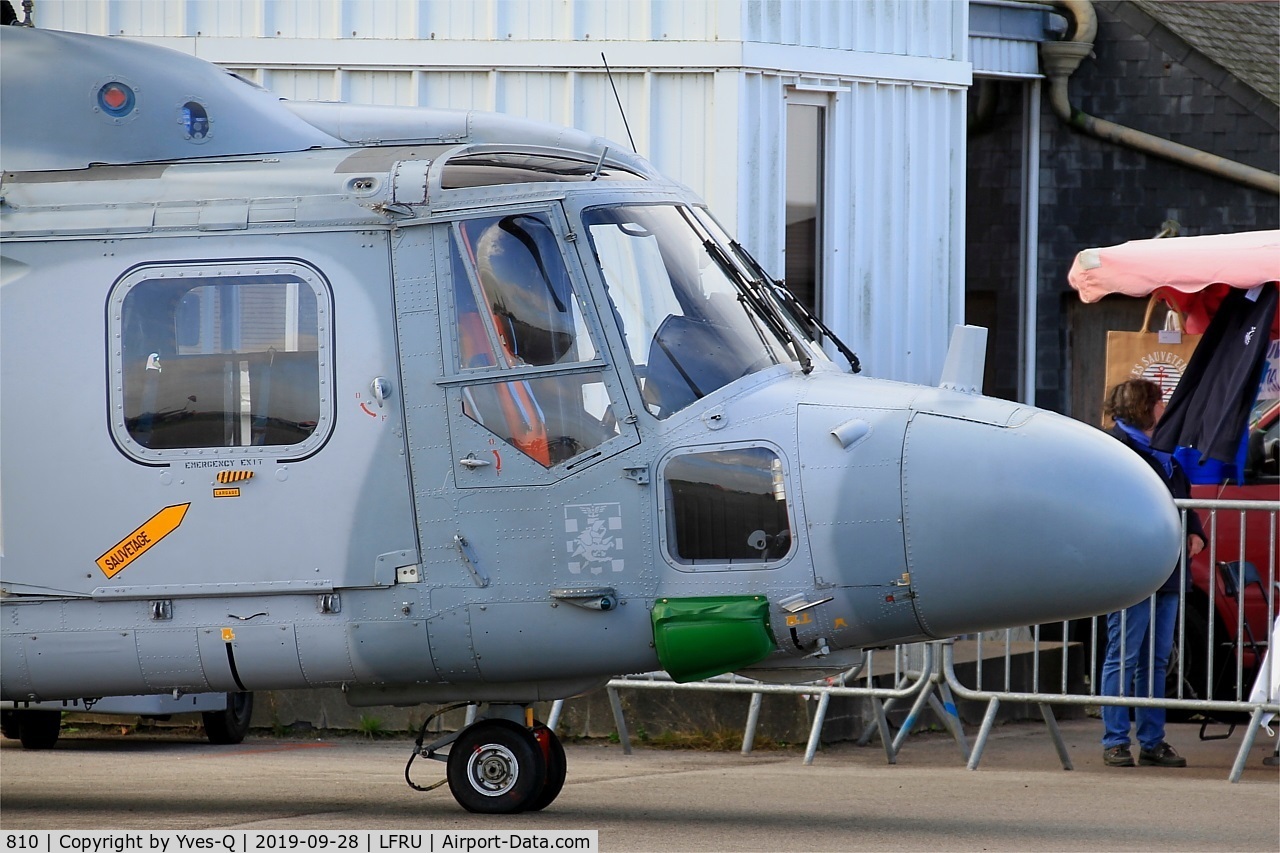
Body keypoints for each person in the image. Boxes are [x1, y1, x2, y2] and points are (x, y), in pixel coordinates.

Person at [1100, 378, 1206, 768]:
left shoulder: (1163, 451)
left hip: (1168, 568)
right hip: (1132, 568)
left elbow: (1184, 499)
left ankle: (1151, 741)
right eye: (1160, 402)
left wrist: (1195, 532)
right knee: (1123, 655)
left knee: (1157, 659)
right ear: (1144, 407)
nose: (1165, 409)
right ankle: (1114, 740)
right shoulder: (1115, 449)